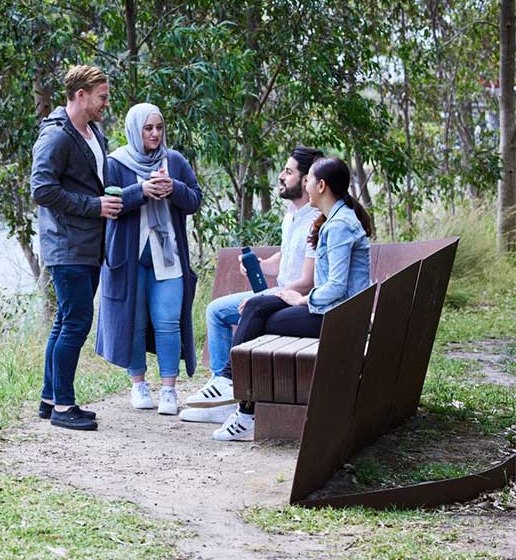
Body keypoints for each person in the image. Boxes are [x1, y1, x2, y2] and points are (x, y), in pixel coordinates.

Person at [210, 156, 373, 441]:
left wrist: (301, 300)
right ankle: (229, 383)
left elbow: (336, 287)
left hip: (338, 317)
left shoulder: (339, 226)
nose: (306, 185)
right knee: (258, 305)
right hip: (331, 311)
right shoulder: (335, 219)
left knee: (264, 320)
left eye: (308, 179)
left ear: (321, 186)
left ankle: (242, 404)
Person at [179, 146, 323, 423]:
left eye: (288, 171)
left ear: (306, 180)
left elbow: (308, 281)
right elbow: (287, 257)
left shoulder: (315, 221)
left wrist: (269, 295)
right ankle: (221, 389)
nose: (281, 176)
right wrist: (262, 263)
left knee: (233, 311)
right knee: (216, 310)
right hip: (280, 292)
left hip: (295, 298)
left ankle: (228, 385)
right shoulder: (291, 215)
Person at [31, 65, 122, 431]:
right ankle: (65, 408)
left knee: (66, 321)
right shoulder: (56, 137)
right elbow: (41, 190)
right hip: (66, 244)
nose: (106, 104)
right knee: (77, 322)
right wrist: (94, 206)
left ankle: (51, 399)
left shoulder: (92, 132)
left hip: (88, 243)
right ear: (80, 95)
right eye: (102, 97)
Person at [95, 103, 202, 415]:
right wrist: (141, 190)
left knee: (168, 320)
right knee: (135, 320)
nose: (155, 134)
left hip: (167, 255)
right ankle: (138, 383)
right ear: (135, 130)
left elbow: (195, 199)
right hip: (128, 257)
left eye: (159, 127)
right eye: (148, 128)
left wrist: (174, 188)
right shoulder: (115, 162)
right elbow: (108, 205)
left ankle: (169, 389)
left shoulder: (175, 161)